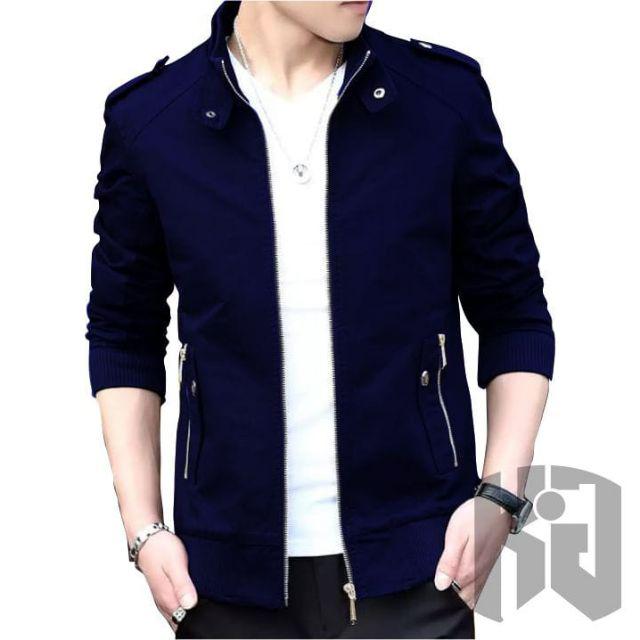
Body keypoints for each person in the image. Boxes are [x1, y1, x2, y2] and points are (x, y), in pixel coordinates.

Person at [86, 1, 554, 637]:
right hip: (223, 580)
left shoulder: (441, 102)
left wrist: (499, 496)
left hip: (422, 568)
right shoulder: (154, 122)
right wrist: (144, 529)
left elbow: (515, 313)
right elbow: (124, 334)